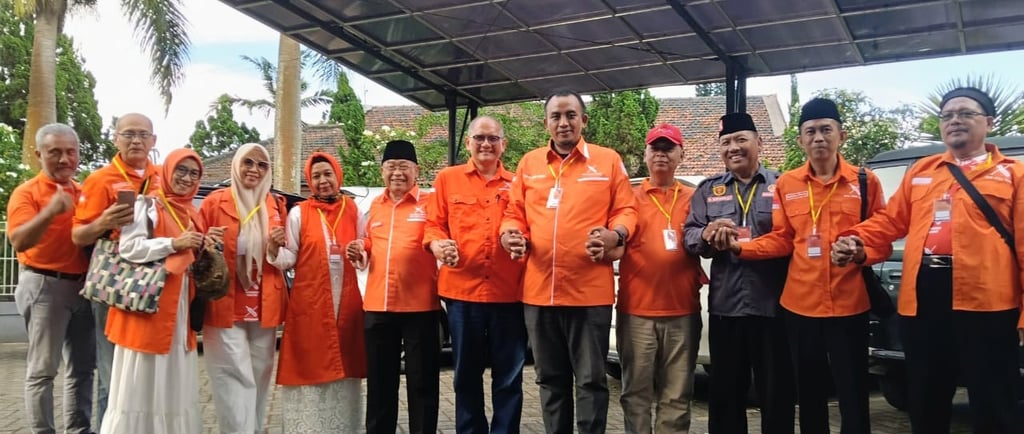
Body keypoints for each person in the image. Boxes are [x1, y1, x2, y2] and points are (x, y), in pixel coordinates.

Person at [833, 87, 1023, 433]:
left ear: (989, 122)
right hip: (924, 297)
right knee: (926, 397)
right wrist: (855, 238)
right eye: (947, 115)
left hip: (988, 300)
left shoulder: (1013, 174)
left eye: (965, 113)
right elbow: (890, 221)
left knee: (994, 399)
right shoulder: (923, 170)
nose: (955, 121)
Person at [716, 98, 890, 434]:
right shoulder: (788, 184)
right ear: (800, 140)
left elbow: (882, 239)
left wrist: (859, 253)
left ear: (842, 135)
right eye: (810, 131)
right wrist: (741, 248)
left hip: (850, 305)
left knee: (853, 393)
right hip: (800, 307)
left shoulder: (865, 182)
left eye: (826, 130)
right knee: (809, 394)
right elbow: (783, 239)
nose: (818, 138)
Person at [500, 90, 637, 434]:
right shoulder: (529, 163)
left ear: (583, 120)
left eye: (571, 115)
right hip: (539, 293)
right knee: (550, 381)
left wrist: (616, 235)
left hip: (589, 293)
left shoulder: (607, 160)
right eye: (556, 116)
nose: (564, 122)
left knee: (591, 381)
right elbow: (513, 213)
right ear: (545, 123)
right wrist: (510, 235)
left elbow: (626, 209)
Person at [683, 113, 795, 433]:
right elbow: (689, 235)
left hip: (773, 307)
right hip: (726, 308)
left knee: (777, 394)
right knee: (726, 397)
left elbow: (793, 237)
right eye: (726, 142)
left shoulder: (783, 186)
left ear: (759, 142)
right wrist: (707, 235)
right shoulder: (708, 190)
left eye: (740, 140)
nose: (733, 147)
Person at [423, 116, 527, 434]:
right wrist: (438, 245)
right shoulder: (448, 179)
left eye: (493, 138)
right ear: (468, 142)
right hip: (462, 294)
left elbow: (527, 224)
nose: (486, 144)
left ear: (503, 145)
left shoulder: (518, 183)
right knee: (466, 376)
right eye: (479, 138)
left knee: (509, 377)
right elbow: (433, 224)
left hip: (509, 294)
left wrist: (521, 239)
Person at [100, 148, 207, 433]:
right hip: (147, 305)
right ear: (167, 171)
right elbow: (129, 248)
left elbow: (191, 255)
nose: (187, 178)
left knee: (173, 378)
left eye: (194, 173)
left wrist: (205, 244)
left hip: (179, 307)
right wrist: (173, 244)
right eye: (181, 170)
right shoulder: (146, 205)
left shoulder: (192, 211)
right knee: (142, 379)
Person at [610, 123, 703, 433]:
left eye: (668, 148)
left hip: (683, 312)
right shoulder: (628, 199)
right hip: (637, 312)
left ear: (681, 155)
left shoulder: (695, 198)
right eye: (655, 148)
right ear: (646, 154)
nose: (661, 154)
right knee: (635, 394)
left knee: (677, 395)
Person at [71, 113, 161, 429]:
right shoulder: (100, 180)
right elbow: (78, 236)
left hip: (153, 280)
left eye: (143, 135)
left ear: (153, 140)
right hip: (114, 280)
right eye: (128, 134)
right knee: (112, 371)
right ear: (116, 138)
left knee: (145, 370)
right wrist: (105, 222)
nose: (136, 140)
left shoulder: (162, 177)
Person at [346, 140, 441, 434]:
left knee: (422, 383)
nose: (397, 173)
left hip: (420, 306)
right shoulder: (374, 206)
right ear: (382, 171)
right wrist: (360, 248)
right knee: (379, 383)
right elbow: (368, 241)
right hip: (378, 306)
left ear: (417, 171)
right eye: (391, 167)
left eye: (403, 167)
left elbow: (438, 236)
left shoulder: (430, 203)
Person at [269, 152, 366, 433]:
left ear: (338, 175)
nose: (323, 181)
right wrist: (273, 248)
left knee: (345, 367)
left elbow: (365, 248)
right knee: (309, 366)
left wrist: (360, 252)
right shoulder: (299, 213)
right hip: (310, 304)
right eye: (316, 176)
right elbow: (290, 258)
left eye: (327, 174)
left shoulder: (354, 210)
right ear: (309, 181)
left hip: (346, 303)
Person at [8, 123, 96, 434]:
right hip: (44, 286)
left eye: (71, 152)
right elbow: (19, 241)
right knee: (43, 370)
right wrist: (49, 212)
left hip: (83, 288)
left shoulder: (83, 192)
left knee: (83, 369)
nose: (64, 159)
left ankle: (79, 430)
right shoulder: (27, 193)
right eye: (54, 152)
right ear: (39, 155)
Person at [199, 143, 288, 434]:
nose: (254, 170)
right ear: (236, 164)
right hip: (224, 304)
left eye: (262, 165)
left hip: (264, 305)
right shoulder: (215, 202)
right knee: (233, 379)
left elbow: (285, 256)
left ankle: (254, 429)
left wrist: (274, 248)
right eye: (248, 162)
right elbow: (194, 248)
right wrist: (205, 242)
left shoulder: (275, 204)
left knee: (260, 378)